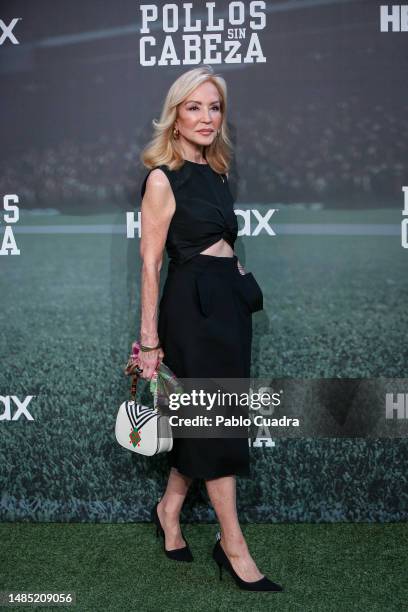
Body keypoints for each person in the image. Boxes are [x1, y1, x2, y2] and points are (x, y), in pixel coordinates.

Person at [135, 65, 283, 592]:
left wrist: (240, 279)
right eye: (193, 107)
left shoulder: (217, 172)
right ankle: (233, 545)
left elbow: (222, 243)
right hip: (191, 309)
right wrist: (150, 341)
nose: (205, 117)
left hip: (226, 304)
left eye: (214, 107)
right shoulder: (162, 177)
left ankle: (169, 508)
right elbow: (151, 262)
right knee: (216, 421)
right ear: (174, 117)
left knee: (208, 416)